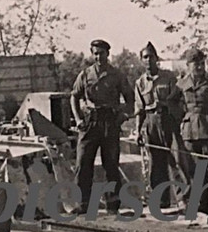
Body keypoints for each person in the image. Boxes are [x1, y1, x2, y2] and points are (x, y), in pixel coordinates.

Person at [70, 39, 134, 214]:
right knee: (83, 163)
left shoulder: (117, 75)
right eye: (95, 53)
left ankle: (113, 204)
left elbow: (130, 98)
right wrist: (78, 119)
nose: (99, 57)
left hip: (109, 122)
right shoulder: (85, 75)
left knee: (111, 164)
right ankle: (83, 204)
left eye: (102, 53)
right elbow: (74, 97)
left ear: (108, 54)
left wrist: (122, 117)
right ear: (92, 54)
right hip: (90, 122)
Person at [134, 41, 186, 210]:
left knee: (175, 160)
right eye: (145, 57)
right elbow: (139, 110)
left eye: (151, 56)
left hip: (168, 120)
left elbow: (178, 101)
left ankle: (183, 200)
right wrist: (138, 132)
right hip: (150, 122)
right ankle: (161, 201)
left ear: (157, 58)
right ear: (142, 60)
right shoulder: (140, 83)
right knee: (156, 163)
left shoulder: (169, 77)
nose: (148, 60)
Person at [176, 46, 208, 215]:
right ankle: (200, 205)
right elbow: (174, 105)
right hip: (189, 131)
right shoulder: (181, 84)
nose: (199, 67)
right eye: (195, 64)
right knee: (194, 170)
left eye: (202, 63)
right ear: (187, 65)